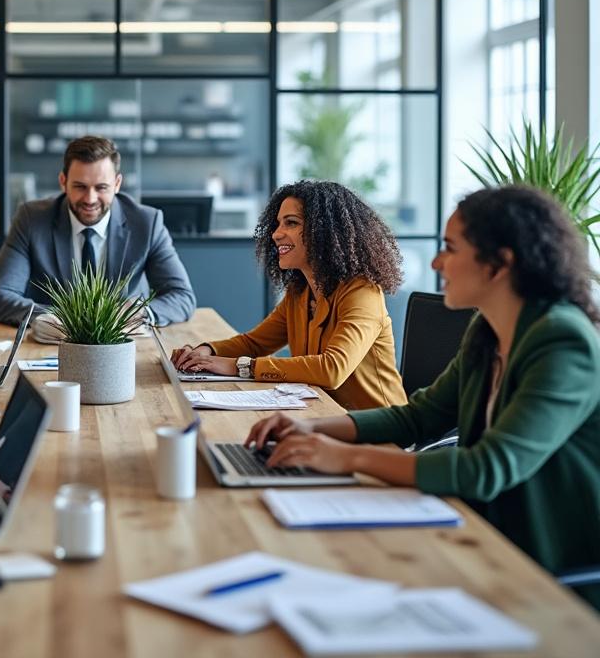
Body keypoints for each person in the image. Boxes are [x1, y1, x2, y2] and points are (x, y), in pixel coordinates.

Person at [247, 186, 600, 608]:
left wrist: (344, 456)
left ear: (501, 263)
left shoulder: (562, 342)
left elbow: (485, 469)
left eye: (450, 248)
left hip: (545, 573)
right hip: (476, 535)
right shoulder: (487, 332)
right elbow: (415, 417)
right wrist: (309, 427)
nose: (436, 262)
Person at [172, 180, 405, 410]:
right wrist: (205, 352)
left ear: (324, 231)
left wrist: (239, 366)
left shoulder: (362, 292)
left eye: (291, 223)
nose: (276, 234)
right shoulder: (300, 291)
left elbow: (332, 369)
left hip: (381, 434)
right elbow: (254, 343)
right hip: (326, 419)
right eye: (277, 224)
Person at [0, 135, 196, 327]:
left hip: (126, 346)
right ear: (63, 182)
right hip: (54, 345)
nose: (90, 199)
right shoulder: (31, 219)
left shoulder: (147, 223)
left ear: (117, 184)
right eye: (80, 187)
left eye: (101, 187)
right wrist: (61, 318)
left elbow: (182, 297)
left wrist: (140, 313)